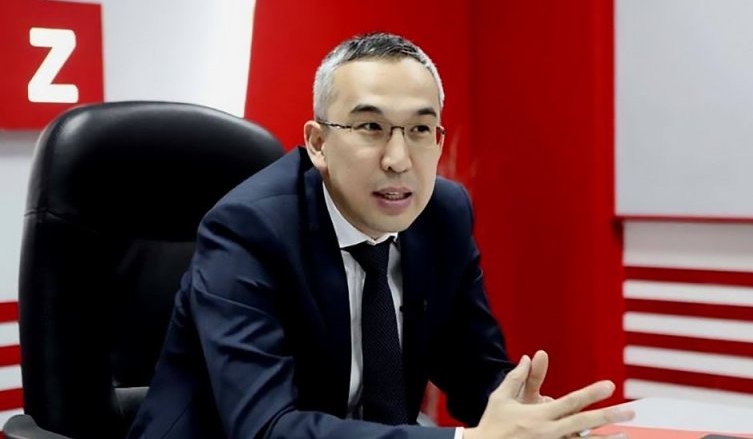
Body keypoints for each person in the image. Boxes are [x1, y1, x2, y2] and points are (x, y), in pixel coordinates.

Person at [128, 32, 634, 439]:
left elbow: (474, 370)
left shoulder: (442, 214)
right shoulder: (248, 230)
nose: (398, 160)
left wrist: (530, 418)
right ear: (318, 143)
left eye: (420, 130)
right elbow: (267, 428)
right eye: (371, 127)